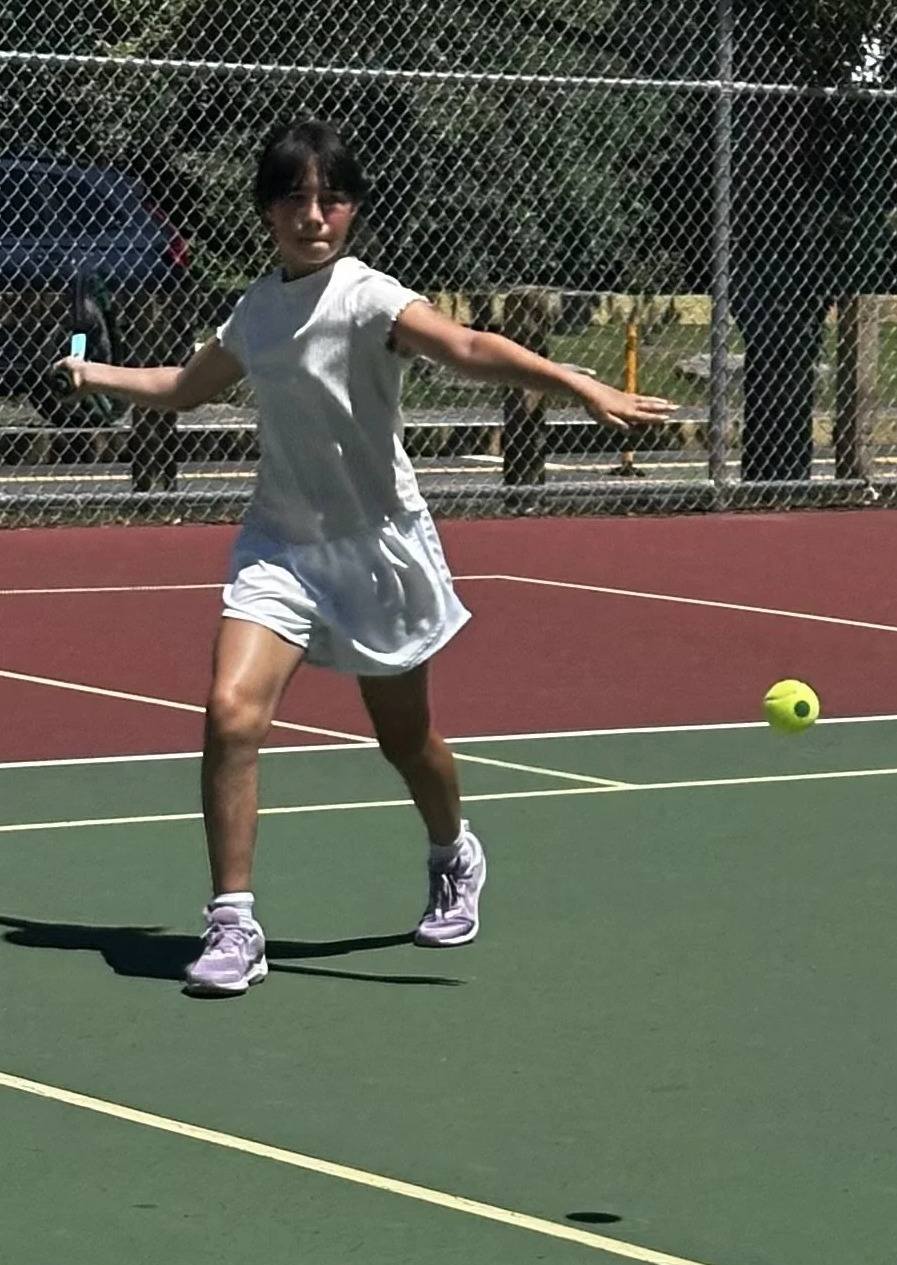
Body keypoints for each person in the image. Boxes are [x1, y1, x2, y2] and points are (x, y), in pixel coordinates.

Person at [57, 120, 677, 997]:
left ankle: (452, 851)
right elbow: (184, 388)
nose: (313, 216)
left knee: (404, 739)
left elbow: (468, 348)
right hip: (279, 547)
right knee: (231, 714)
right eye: (294, 199)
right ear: (266, 211)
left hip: (378, 549)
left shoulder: (369, 297)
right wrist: (95, 376)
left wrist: (574, 381)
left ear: (351, 210)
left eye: (332, 199)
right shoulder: (255, 311)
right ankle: (232, 922)